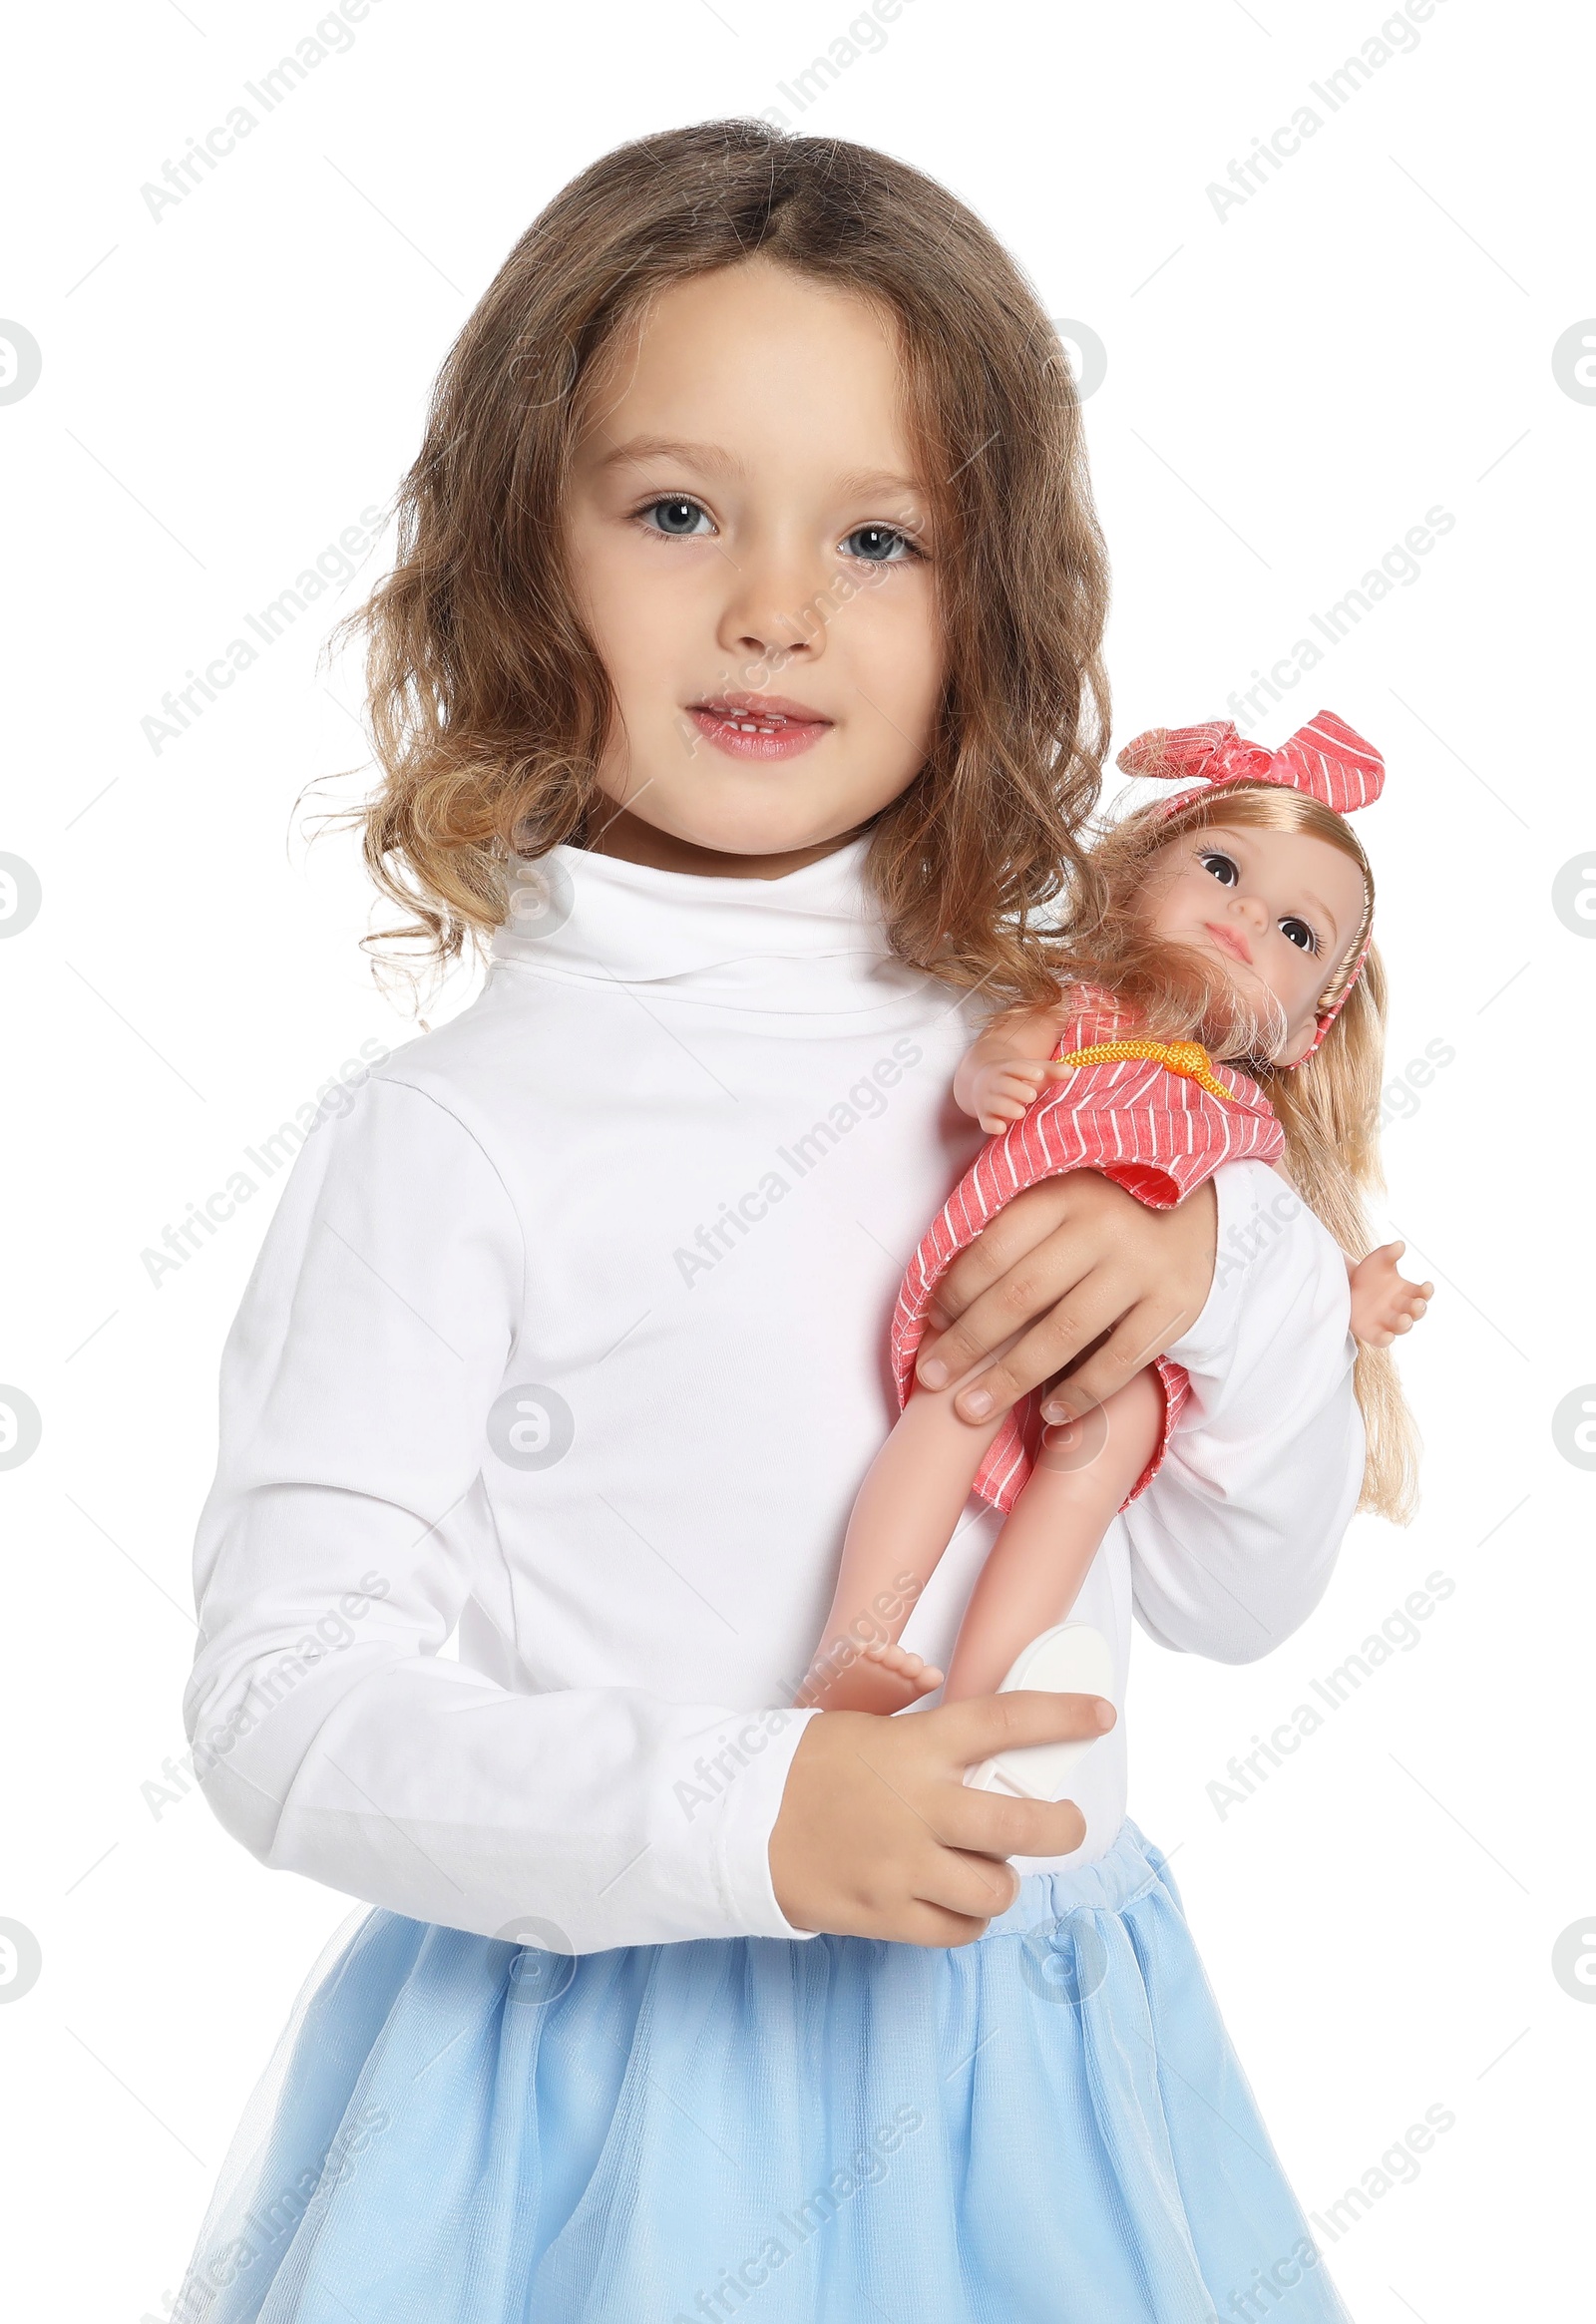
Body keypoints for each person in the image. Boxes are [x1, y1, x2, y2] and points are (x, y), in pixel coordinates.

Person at [176, 124, 1369, 2323]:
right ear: (513, 560)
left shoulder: (1057, 1072)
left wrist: (1237, 1269)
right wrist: (755, 1810)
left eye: (881, 537)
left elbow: (1228, 1588)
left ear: (990, 600)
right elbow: (283, 1695)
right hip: (599, 2118)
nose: (773, 609)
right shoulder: (453, 1136)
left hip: (1028, 2098)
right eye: (672, 509)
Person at [798, 714, 1432, 1797]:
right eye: (1221, 868)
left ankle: (989, 1695)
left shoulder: (1248, 1122)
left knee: (1090, 1469)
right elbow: (1003, 1045)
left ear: (1297, 1032)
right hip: (1007, 1272)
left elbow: (1261, 1264)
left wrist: (1348, 1301)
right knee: (955, 1398)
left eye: (1294, 933)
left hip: (1133, 1361)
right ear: (1130, 879)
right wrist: (985, 1077)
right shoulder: (1084, 1011)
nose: (1244, 915)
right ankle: (856, 1638)